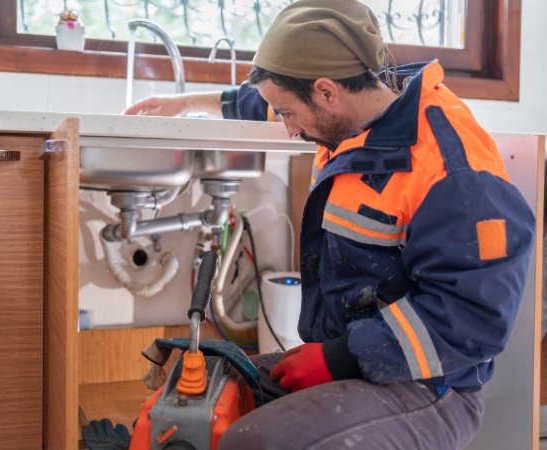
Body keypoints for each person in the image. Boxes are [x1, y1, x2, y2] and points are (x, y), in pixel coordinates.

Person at [122, 1, 537, 449]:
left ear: (326, 92)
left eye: (286, 114)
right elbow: (263, 99)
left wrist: (338, 360)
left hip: (432, 385)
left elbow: (473, 319)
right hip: (357, 358)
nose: (287, 130)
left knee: (251, 441)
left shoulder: (452, 171)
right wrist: (183, 103)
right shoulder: (352, 107)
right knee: (196, 402)